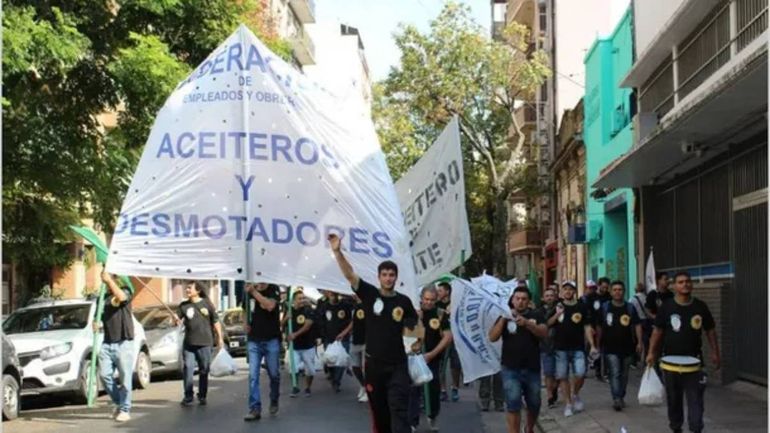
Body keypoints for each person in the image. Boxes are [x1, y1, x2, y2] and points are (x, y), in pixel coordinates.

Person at [329, 233, 418, 433]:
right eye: (384, 275)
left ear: (396, 277)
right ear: (379, 277)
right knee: (380, 413)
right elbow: (350, 275)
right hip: (374, 365)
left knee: (398, 408)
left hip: (398, 365)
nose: (388, 278)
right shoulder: (370, 295)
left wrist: (417, 341)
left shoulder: (404, 302)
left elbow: (415, 328)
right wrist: (337, 252)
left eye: (391, 275)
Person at [647, 271, 720, 433]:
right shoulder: (667, 307)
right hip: (671, 366)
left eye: (688, 281)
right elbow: (657, 331)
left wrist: (716, 352)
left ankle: (695, 428)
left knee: (696, 403)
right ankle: (676, 427)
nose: (685, 284)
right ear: (674, 286)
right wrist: (651, 352)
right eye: (680, 282)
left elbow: (710, 330)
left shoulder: (700, 306)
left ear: (692, 284)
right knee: (674, 402)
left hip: (695, 366)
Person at [490, 287, 547, 433]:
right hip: (510, 367)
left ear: (528, 301)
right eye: (517, 298)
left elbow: (544, 333)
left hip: (532, 367)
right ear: (512, 300)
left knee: (534, 403)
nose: (520, 302)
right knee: (513, 402)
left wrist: (527, 323)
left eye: (524, 299)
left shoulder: (537, 314)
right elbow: (492, 337)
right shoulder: (504, 315)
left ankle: (529, 428)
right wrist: (504, 317)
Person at [548, 280, 598, 417]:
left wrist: (592, 345)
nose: (568, 291)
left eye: (571, 289)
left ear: (574, 291)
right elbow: (548, 323)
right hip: (560, 348)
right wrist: (557, 314)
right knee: (563, 376)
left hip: (578, 348)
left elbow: (587, 327)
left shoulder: (582, 307)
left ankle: (575, 394)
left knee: (581, 374)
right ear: (562, 292)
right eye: (565, 289)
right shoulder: (557, 306)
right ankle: (568, 404)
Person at [409, 285, 453, 432]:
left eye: (432, 300)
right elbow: (408, 336)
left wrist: (432, 354)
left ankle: (432, 416)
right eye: (426, 299)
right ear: (421, 298)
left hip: (432, 359)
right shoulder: (413, 312)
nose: (428, 303)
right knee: (413, 390)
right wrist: (417, 320)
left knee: (433, 390)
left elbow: (447, 337)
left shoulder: (440, 314)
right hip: (414, 358)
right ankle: (412, 422)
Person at [595, 281, 643, 411]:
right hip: (610, 347)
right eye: (615, 289)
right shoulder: (605, 308)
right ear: (610, 292)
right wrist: (597, 344)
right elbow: (599, 327)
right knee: (615, 373)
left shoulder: (630, 308)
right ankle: (616, 398)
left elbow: (637, 325)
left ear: (624, 291)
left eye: (620, 289)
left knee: (625, 374)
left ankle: (621, 395)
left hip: (628, 347)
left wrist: (640, 342)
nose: (617, 292)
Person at [178, 281, 224, 406]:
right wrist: (175, 320)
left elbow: (215, 321)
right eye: (186, 288)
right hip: (189, 343)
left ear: (197, 290)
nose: (187, 290)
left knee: (204, 370)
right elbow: (177, 321)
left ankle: (202, 395)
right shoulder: (183, 306)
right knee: (188, 368)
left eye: (189, 288)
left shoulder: (207, 304)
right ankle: (188, 395)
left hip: (205, 342)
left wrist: (220, 338)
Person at [98, 272, 136, 423]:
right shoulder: (101, 297)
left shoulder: (126, 290)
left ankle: (125, 409)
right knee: (104, 375)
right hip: (107, 342)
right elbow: (99, 316)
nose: (104, 278)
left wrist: (109, 281)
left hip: (123, 341)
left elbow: (121, 298)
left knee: (125, 378)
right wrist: (97, 324)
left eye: (109, 276)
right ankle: (119, 403)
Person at [243, 282, 281, 421]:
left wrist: (253, 292)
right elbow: (245, 310)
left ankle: (274, 399)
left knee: (274, 373)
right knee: (253, 375)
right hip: (254, 340)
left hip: (271, 339)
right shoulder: (248, 290)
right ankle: (254, 408)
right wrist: (245, 323)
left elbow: (269, 306)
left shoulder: (273, 289)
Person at [284, 290, 317, 398]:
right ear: (293, 300)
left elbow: (308, 325)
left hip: (308, 345)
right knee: (293, 367)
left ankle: (308, 387)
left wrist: (295, 334)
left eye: (303, 298)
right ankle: (295, 386)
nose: (302, 300)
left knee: (310, 371)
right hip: (294, 346)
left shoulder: (308, 310)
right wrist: (285, 318)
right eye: (299, 298)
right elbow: (281, 324)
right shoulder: (289, 310)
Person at [318, 290, 353, 393]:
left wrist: (345, 333)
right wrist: (322, 336)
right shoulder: (324, 306)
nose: (334, 297)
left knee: (341, 361)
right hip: (328, 338)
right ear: (328, 294)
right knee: (330, 361)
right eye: (331, 294)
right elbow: (321, 321)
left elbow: (351, 320)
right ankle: (332, 374)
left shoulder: (345, 305)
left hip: (343, 338)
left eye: (335, 294)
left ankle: (337, 382)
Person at [436, 282, 462, 403]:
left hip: (455, 339)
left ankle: (455, 387)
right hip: (441, 338)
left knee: (455, 364)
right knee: (441, 365)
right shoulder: (437, 305)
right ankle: (442, 390)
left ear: (447, 291)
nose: (438, 293)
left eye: (440, 290)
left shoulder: (456, 303)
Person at [538, 285, 559, 408]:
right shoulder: (539, 311)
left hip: (560, 344)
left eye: (551, 295)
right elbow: (545, 324)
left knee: (560, 374)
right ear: (543, 298)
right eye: (547, 296)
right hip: (545, 345)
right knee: (548, 372)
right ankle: (550, 396)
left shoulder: (561, 307)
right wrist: (556, 315)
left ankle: (555, 388)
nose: (549, 298)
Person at [350, 295, 368, 403]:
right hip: (356, 339)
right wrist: (344, 333)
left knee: (366, 368)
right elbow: (353, 322)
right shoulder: (354, 306)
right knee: (355, 367)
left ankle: (368, 391)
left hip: (367, 341)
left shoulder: (369, 304)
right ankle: (363, 385)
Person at [630, 282, 652, 364]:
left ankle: (635, 360)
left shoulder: (632, 299)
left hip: (636, 322)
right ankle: (646, 359)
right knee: (646, 341)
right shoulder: (646, 298)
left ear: (635, 290)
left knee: (635, 341)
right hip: (646, 321)